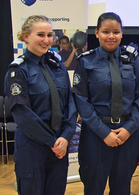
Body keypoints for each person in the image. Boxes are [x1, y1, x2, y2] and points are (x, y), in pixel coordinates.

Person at [72, 12, 139, 194]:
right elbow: (81, 101)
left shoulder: (133, 60)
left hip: (127, 135)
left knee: (122, 188)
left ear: (122, 33)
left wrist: (129, 129)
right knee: (93, 187)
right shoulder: (85, 62)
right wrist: (104, 133)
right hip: (96, 136)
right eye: (106, 31)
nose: (111, 36)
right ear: (97, 33)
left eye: (116, 32)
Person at [4, 15, 77, 195]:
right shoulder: (18, 70)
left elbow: (70, 102)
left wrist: (66, 137)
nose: (46, 40)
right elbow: (22, 114)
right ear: (26, 36)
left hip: (60, 144)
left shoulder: (57, 65)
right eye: (40, 35)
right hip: (33, 145)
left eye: (50, 35)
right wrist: (52, 142)